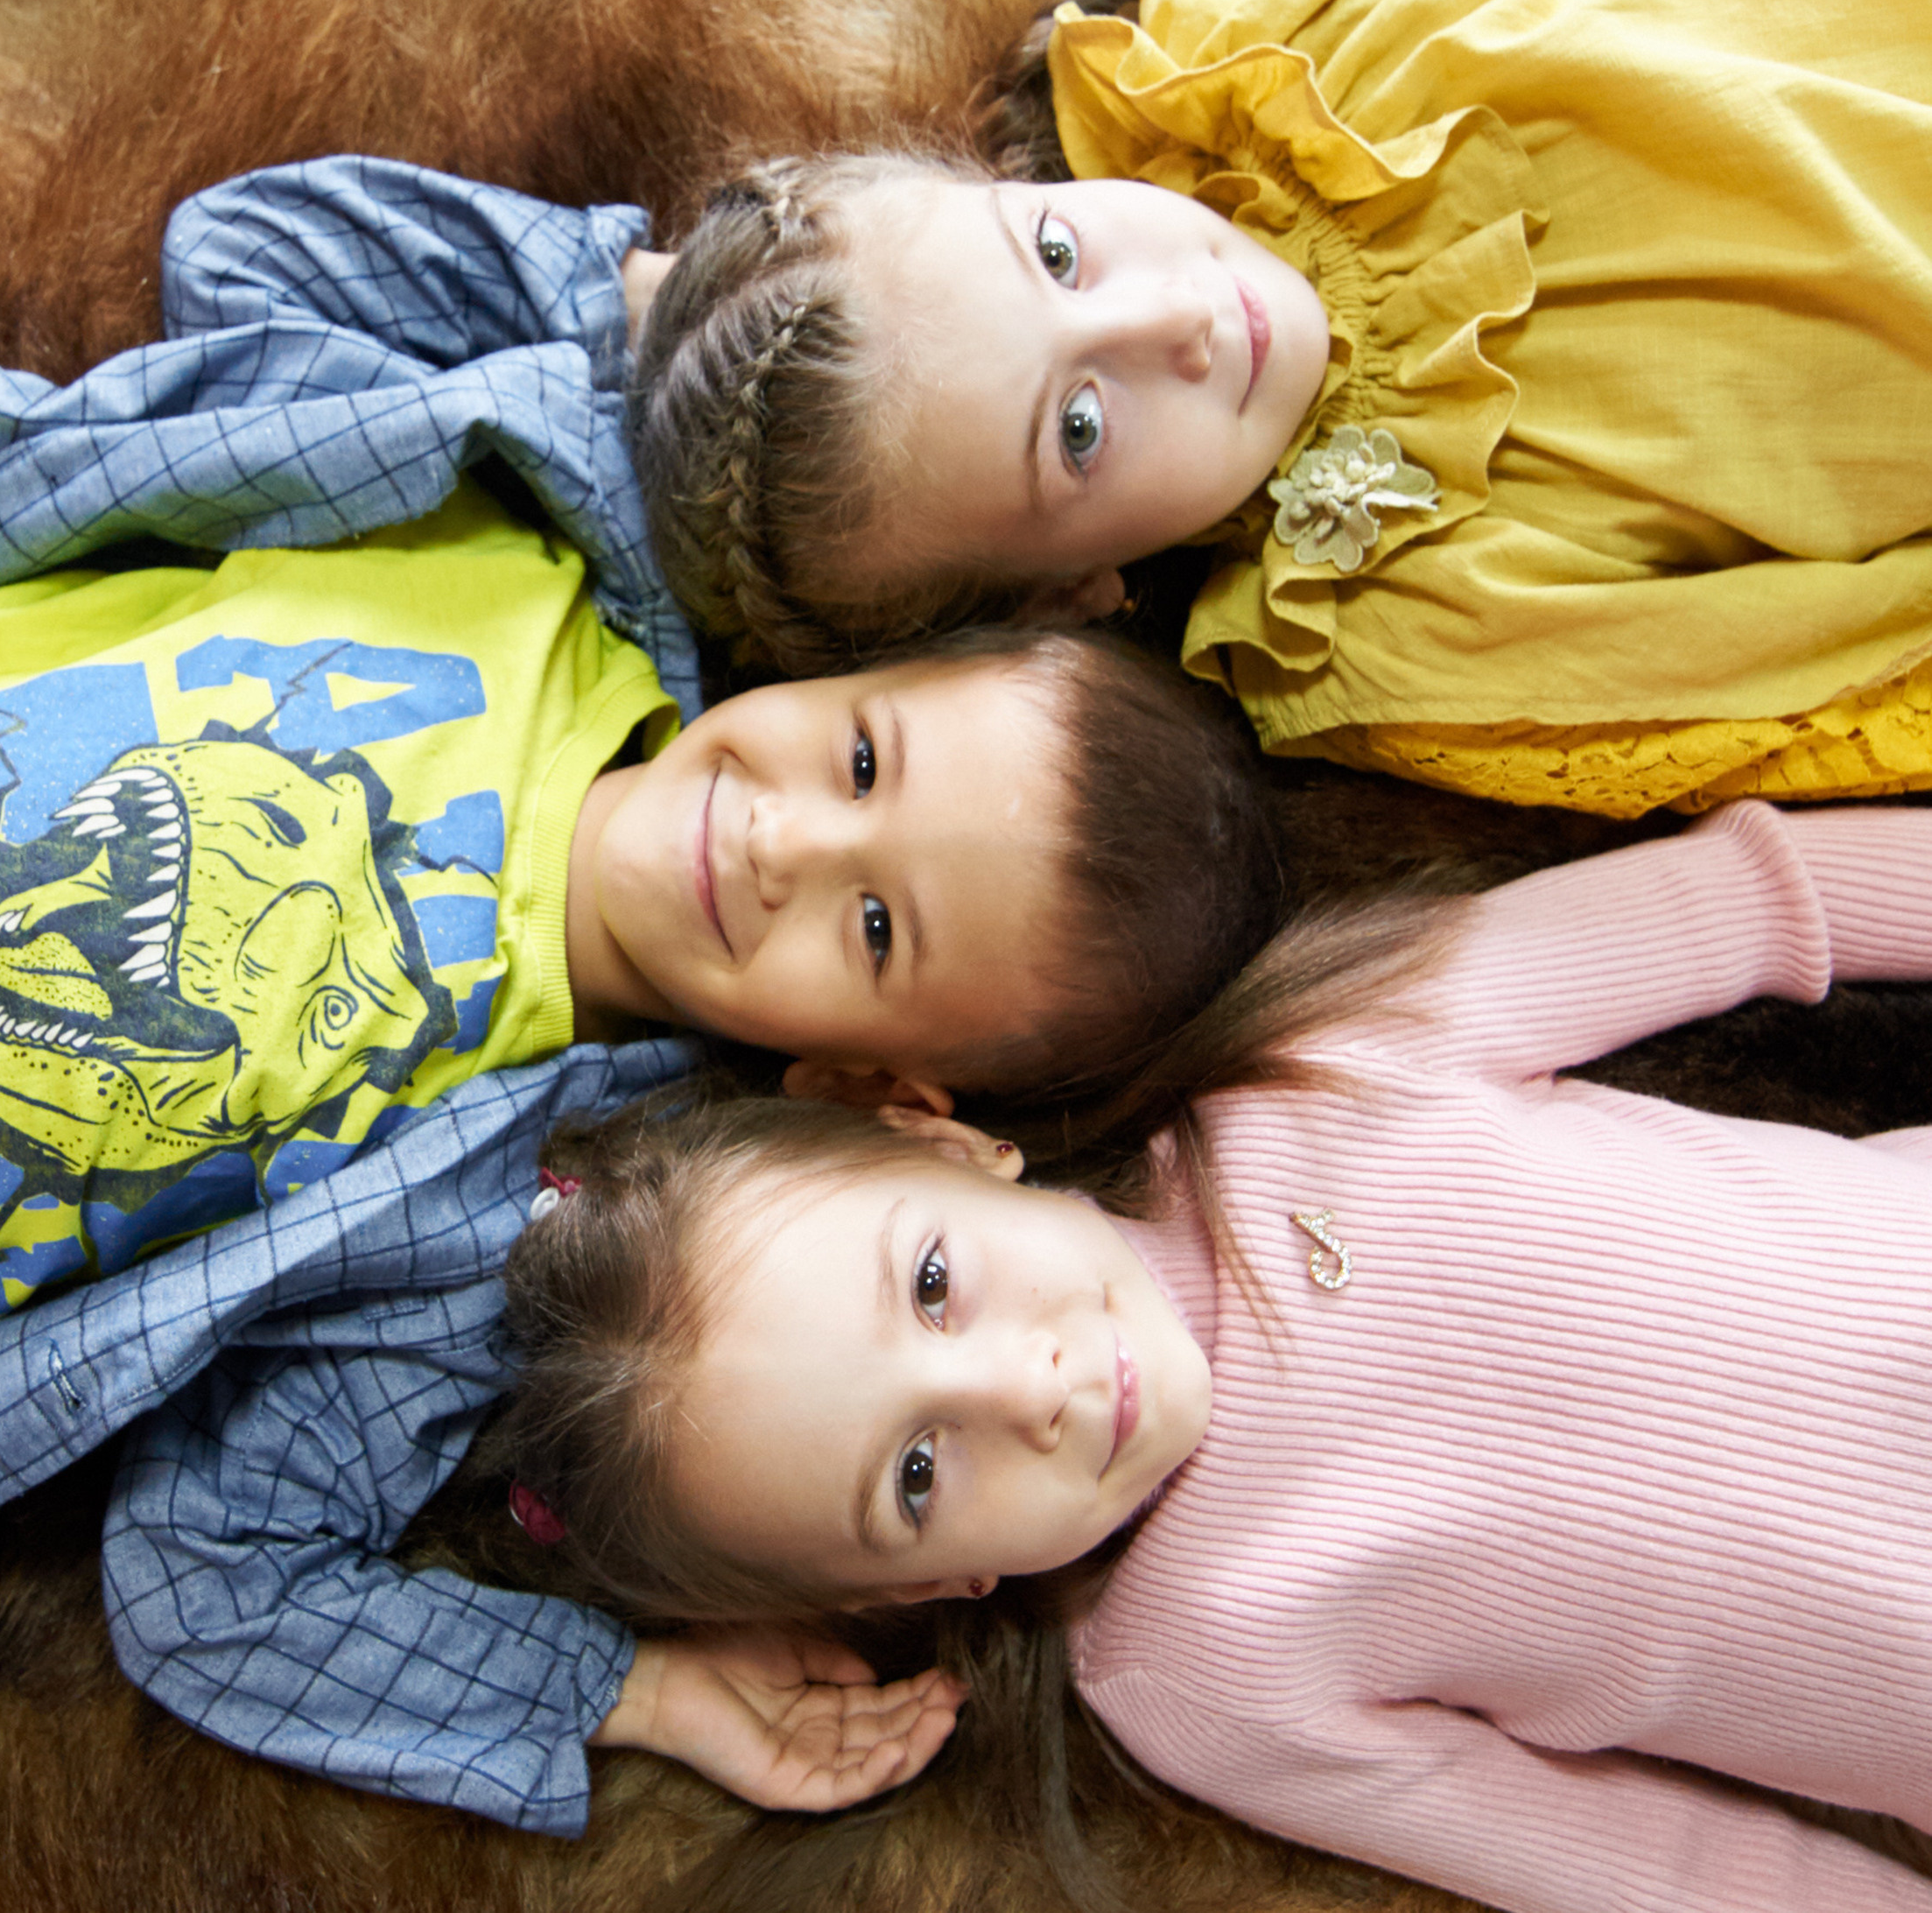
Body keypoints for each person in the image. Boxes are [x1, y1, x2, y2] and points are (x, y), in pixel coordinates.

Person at [0, 155, 1276, 1348]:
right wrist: (698, 323)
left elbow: (218, 1542)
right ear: (850, 661)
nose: (784, 845)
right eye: (858, 766)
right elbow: (237, 252)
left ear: (861, 1081)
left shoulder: (549, 1192)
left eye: (873, 926)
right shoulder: (542, 531)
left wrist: (619, 1687)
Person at [488, 797, 1932, 1910]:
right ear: (934, 1582)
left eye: (934, 1283)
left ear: (938, 1138)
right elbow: (1661, 1869)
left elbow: (1752, 900)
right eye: (918, 1473)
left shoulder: (1333, 1055)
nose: (1023, 1388)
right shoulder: (1200, 1680)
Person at [632, 0, 1932, 819]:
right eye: (1079, 428)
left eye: (1055, 250)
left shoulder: (1261, 17)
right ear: (1067, 594)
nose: (1174, 317)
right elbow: (1837, 673)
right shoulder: (1400, 635)